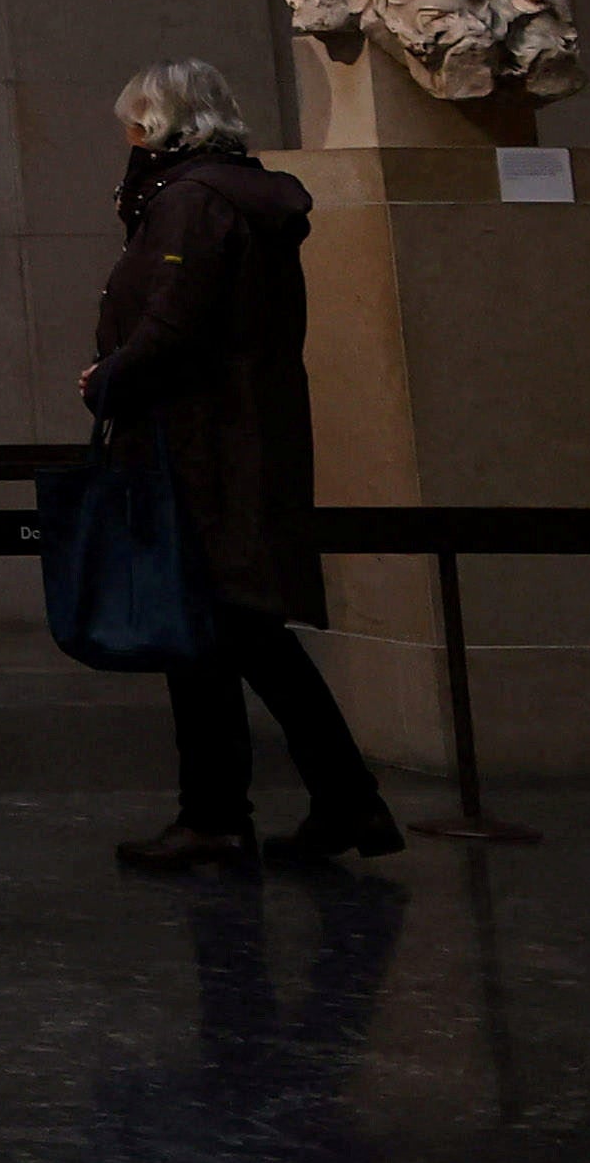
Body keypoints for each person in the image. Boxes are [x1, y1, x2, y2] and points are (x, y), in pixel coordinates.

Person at [87, 58, 396, 873]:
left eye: (134, 121)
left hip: (195, 447)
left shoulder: (191, 204)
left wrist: (110, 376)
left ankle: (229, 812)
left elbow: (173, 321)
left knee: (221, 632)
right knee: (240, 633)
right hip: (228, 439)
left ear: (159, 125)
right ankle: (331, 799)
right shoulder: (229, 197)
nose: (125, 137)